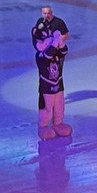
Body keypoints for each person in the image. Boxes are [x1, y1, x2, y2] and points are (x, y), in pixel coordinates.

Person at [33, 9, 70, 140]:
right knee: (46, 107)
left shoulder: (55, 51)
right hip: (46, 87)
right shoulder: (40, 55)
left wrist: (60, 42)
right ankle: (43, 126)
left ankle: (57, 123)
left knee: (59, 105)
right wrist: (54, 42)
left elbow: (64, 52)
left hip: (58, 84)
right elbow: (48, 56)